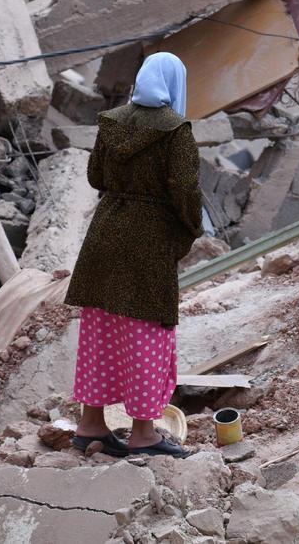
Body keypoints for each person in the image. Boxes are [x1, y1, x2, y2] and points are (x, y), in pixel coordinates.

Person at [63, 52, 203, 458]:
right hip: (150, 239)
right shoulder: (176, 130)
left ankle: (91, 425)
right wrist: (191, 227)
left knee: (102, 329)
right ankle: (143, 432)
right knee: (147, 334)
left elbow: (95, 176)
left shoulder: (112, 121)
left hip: (106, 232)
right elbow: (185, 191)